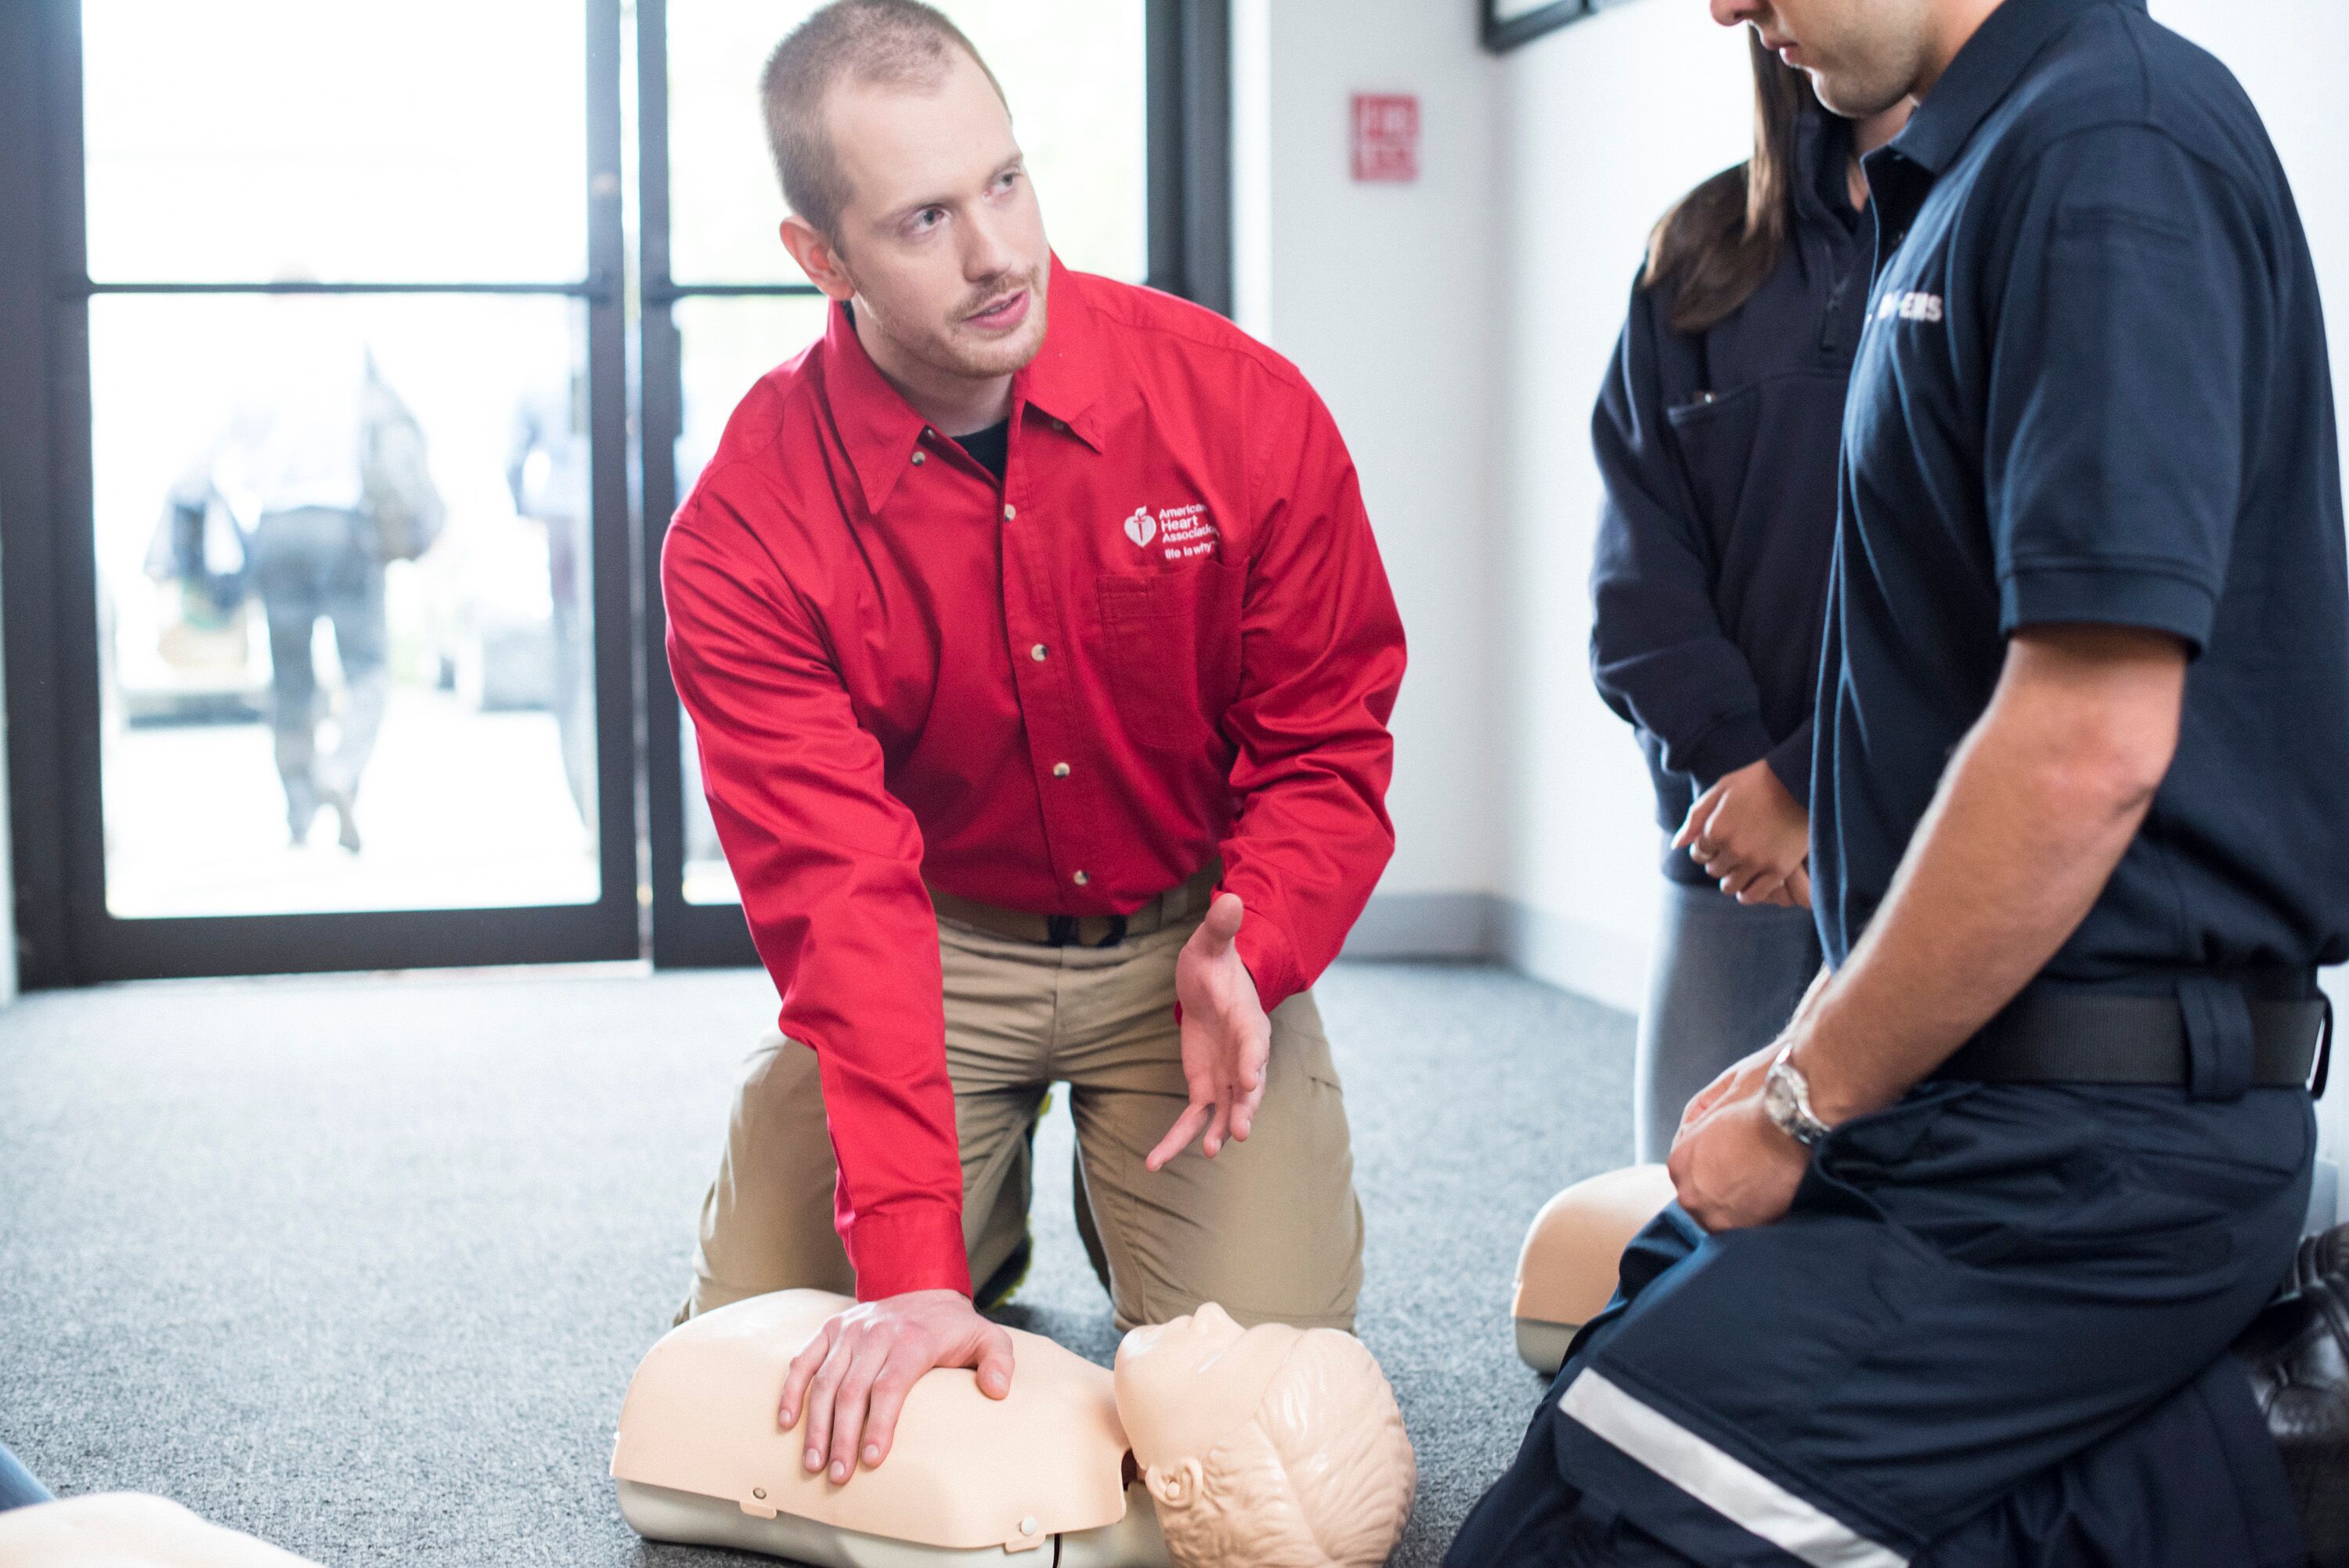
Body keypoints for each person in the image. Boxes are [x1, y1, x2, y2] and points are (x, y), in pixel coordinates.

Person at [1450, 0, 2349, 1563]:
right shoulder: (1970, 162)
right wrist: (1817, 1045)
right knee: (1586, 1430)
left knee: (1599, 1529)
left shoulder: (2107, 150)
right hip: (1950, 1090)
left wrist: (1807, 1093)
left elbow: (2085, 742)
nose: (1726, 6)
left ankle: (2272, 1455)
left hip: (2090, 1147)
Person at [661, 0, 1404, 1494]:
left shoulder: (1241, 410)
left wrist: (1248, 952)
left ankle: (1093, 1173)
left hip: (1193, 935)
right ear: (822, 256)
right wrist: (914, 1261)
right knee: (767, 1360)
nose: (999, 251)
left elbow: (1327, 740)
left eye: (1006, 181)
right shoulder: (746, 527)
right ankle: (975, 1217)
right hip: (933, 947)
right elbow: (838, 895)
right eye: (926, 217)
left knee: (1270, 1427)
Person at [1591, 35, 1910, 1162]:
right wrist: (1746, 785)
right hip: (1732, 848)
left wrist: (1811, 780)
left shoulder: (1988, 231)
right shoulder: (1696, 257)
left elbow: (1968, 595)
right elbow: (1639, 585)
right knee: (1680, 1221)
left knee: (1902, 1244)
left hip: (1931, 849)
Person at [195, 289, 427, 855]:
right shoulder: (349, 346)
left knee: (291, 680)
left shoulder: (252, 357)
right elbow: (397, 429)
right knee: (367, 667)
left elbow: (220, 450)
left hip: (275, 529)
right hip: (343, 524)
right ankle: (342, 772)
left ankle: (299, 809)